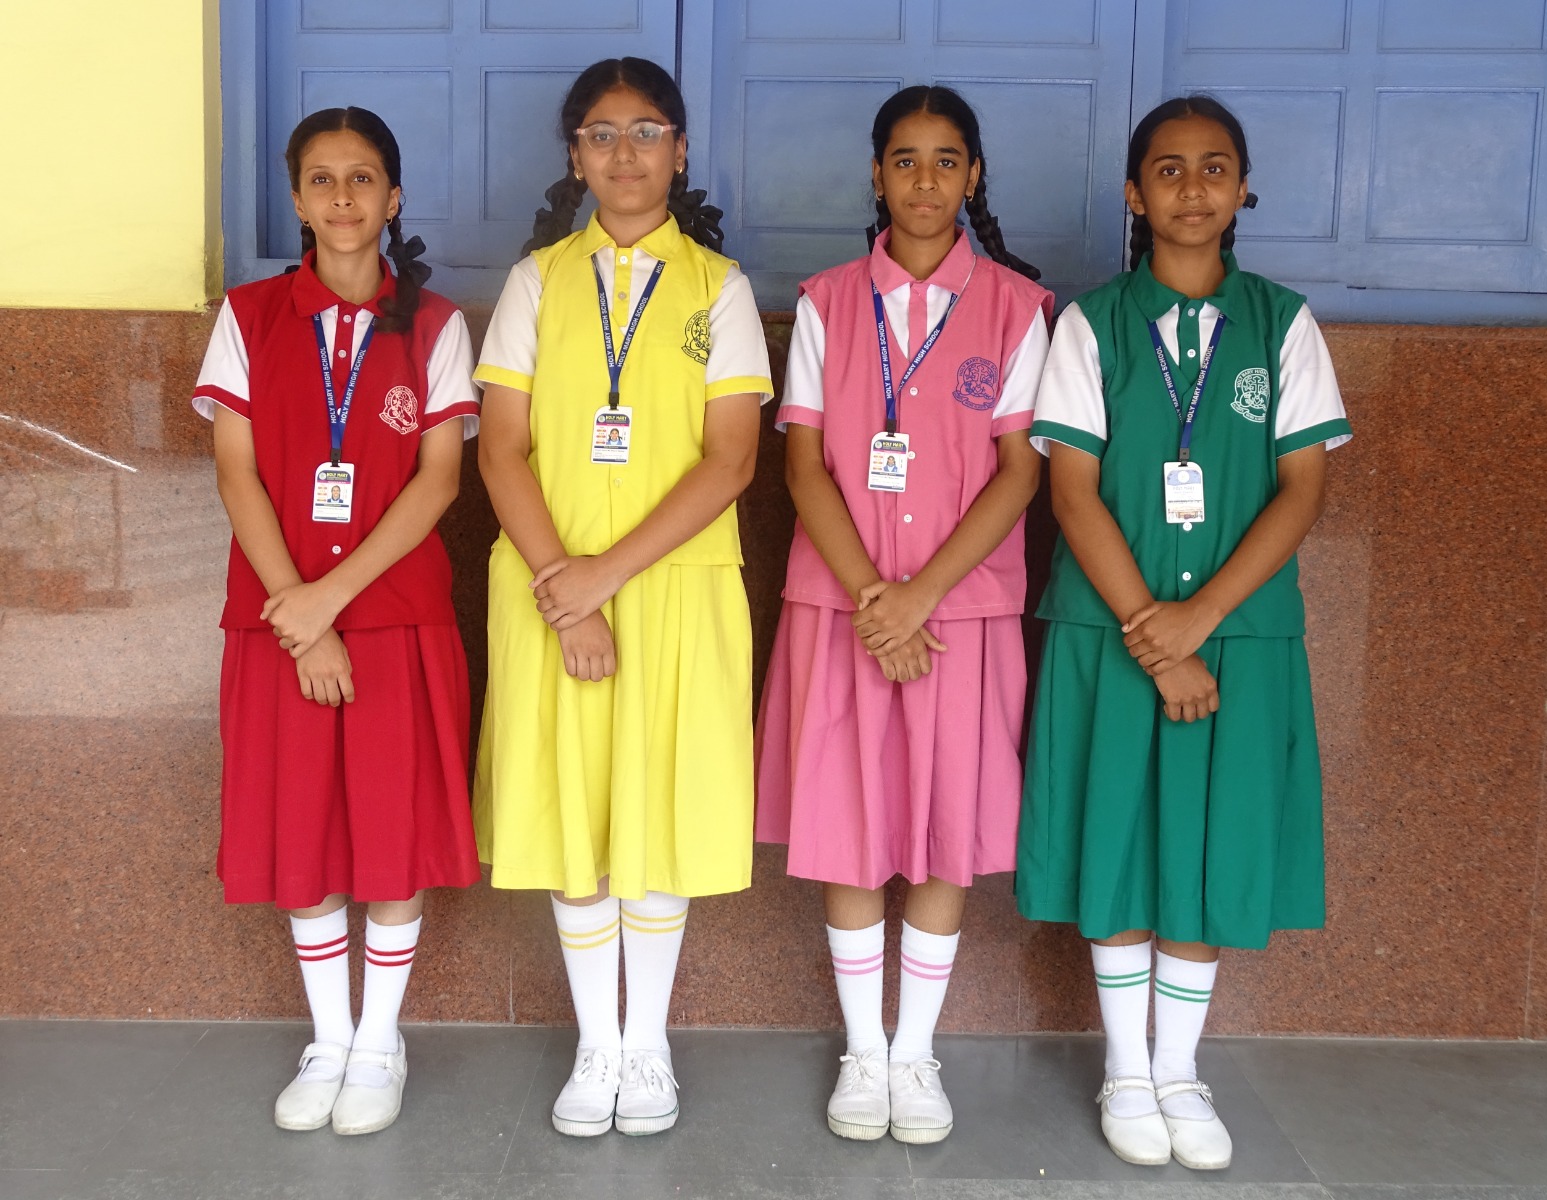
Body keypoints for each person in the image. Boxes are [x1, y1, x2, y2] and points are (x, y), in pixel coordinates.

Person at [1016, 96, 1352, 1170]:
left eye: (1215, 169)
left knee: (1209, 850)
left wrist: (1199, 621)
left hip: (1237, 639)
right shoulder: (1091, 323)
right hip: (1107, 634)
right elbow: (1070, 494)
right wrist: (1152, 635)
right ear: (1132, 193)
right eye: (1167, 170)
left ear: (1242, 188)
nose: (1192, 188)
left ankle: (1179, 1070)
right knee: (1116, 838)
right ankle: (1124, 1069)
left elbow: (1302, 488)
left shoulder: (1282, 324)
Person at [472, 57, 772, 1137]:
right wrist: (570, 588)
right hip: (551, 591)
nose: (626, 153)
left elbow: (730, 460)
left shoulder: (718, 290)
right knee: (574, 812)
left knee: (657, 809)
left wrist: (605, 577)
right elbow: (502, 451)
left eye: (647, 132)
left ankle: (647, 1048)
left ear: (680, 151)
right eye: (602, 134)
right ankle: (594, 1044)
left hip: (676, 591)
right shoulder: (536, 283)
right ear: (575, 156)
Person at [755, 85, 1051, 1144]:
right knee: (846, 831)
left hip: (957, 618)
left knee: (940, 835)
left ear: (973, 176)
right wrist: (874, 600)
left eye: (946, 160)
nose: (925, 181)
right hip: (838, 609)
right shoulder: (827, 301)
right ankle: (863, 1054)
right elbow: (800, 466)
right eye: (904, 160)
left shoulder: (1021, 307)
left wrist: (919, 597)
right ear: (875, 176)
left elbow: (1020, 474)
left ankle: (916, 1053)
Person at [192, 106, 481, 1135]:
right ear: (296, 196)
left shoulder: (436, 326)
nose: (344, 198)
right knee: (299, 826)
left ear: (393, 197)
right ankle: (328, 1032)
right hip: (274, 623)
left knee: (392, 833)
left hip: (396, 623)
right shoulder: (251, 315)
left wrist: (334, 600)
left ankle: (379, 1040)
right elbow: (235, 471)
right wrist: (301, 619)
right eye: (322, 179)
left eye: (364, 179)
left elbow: (439, 481)